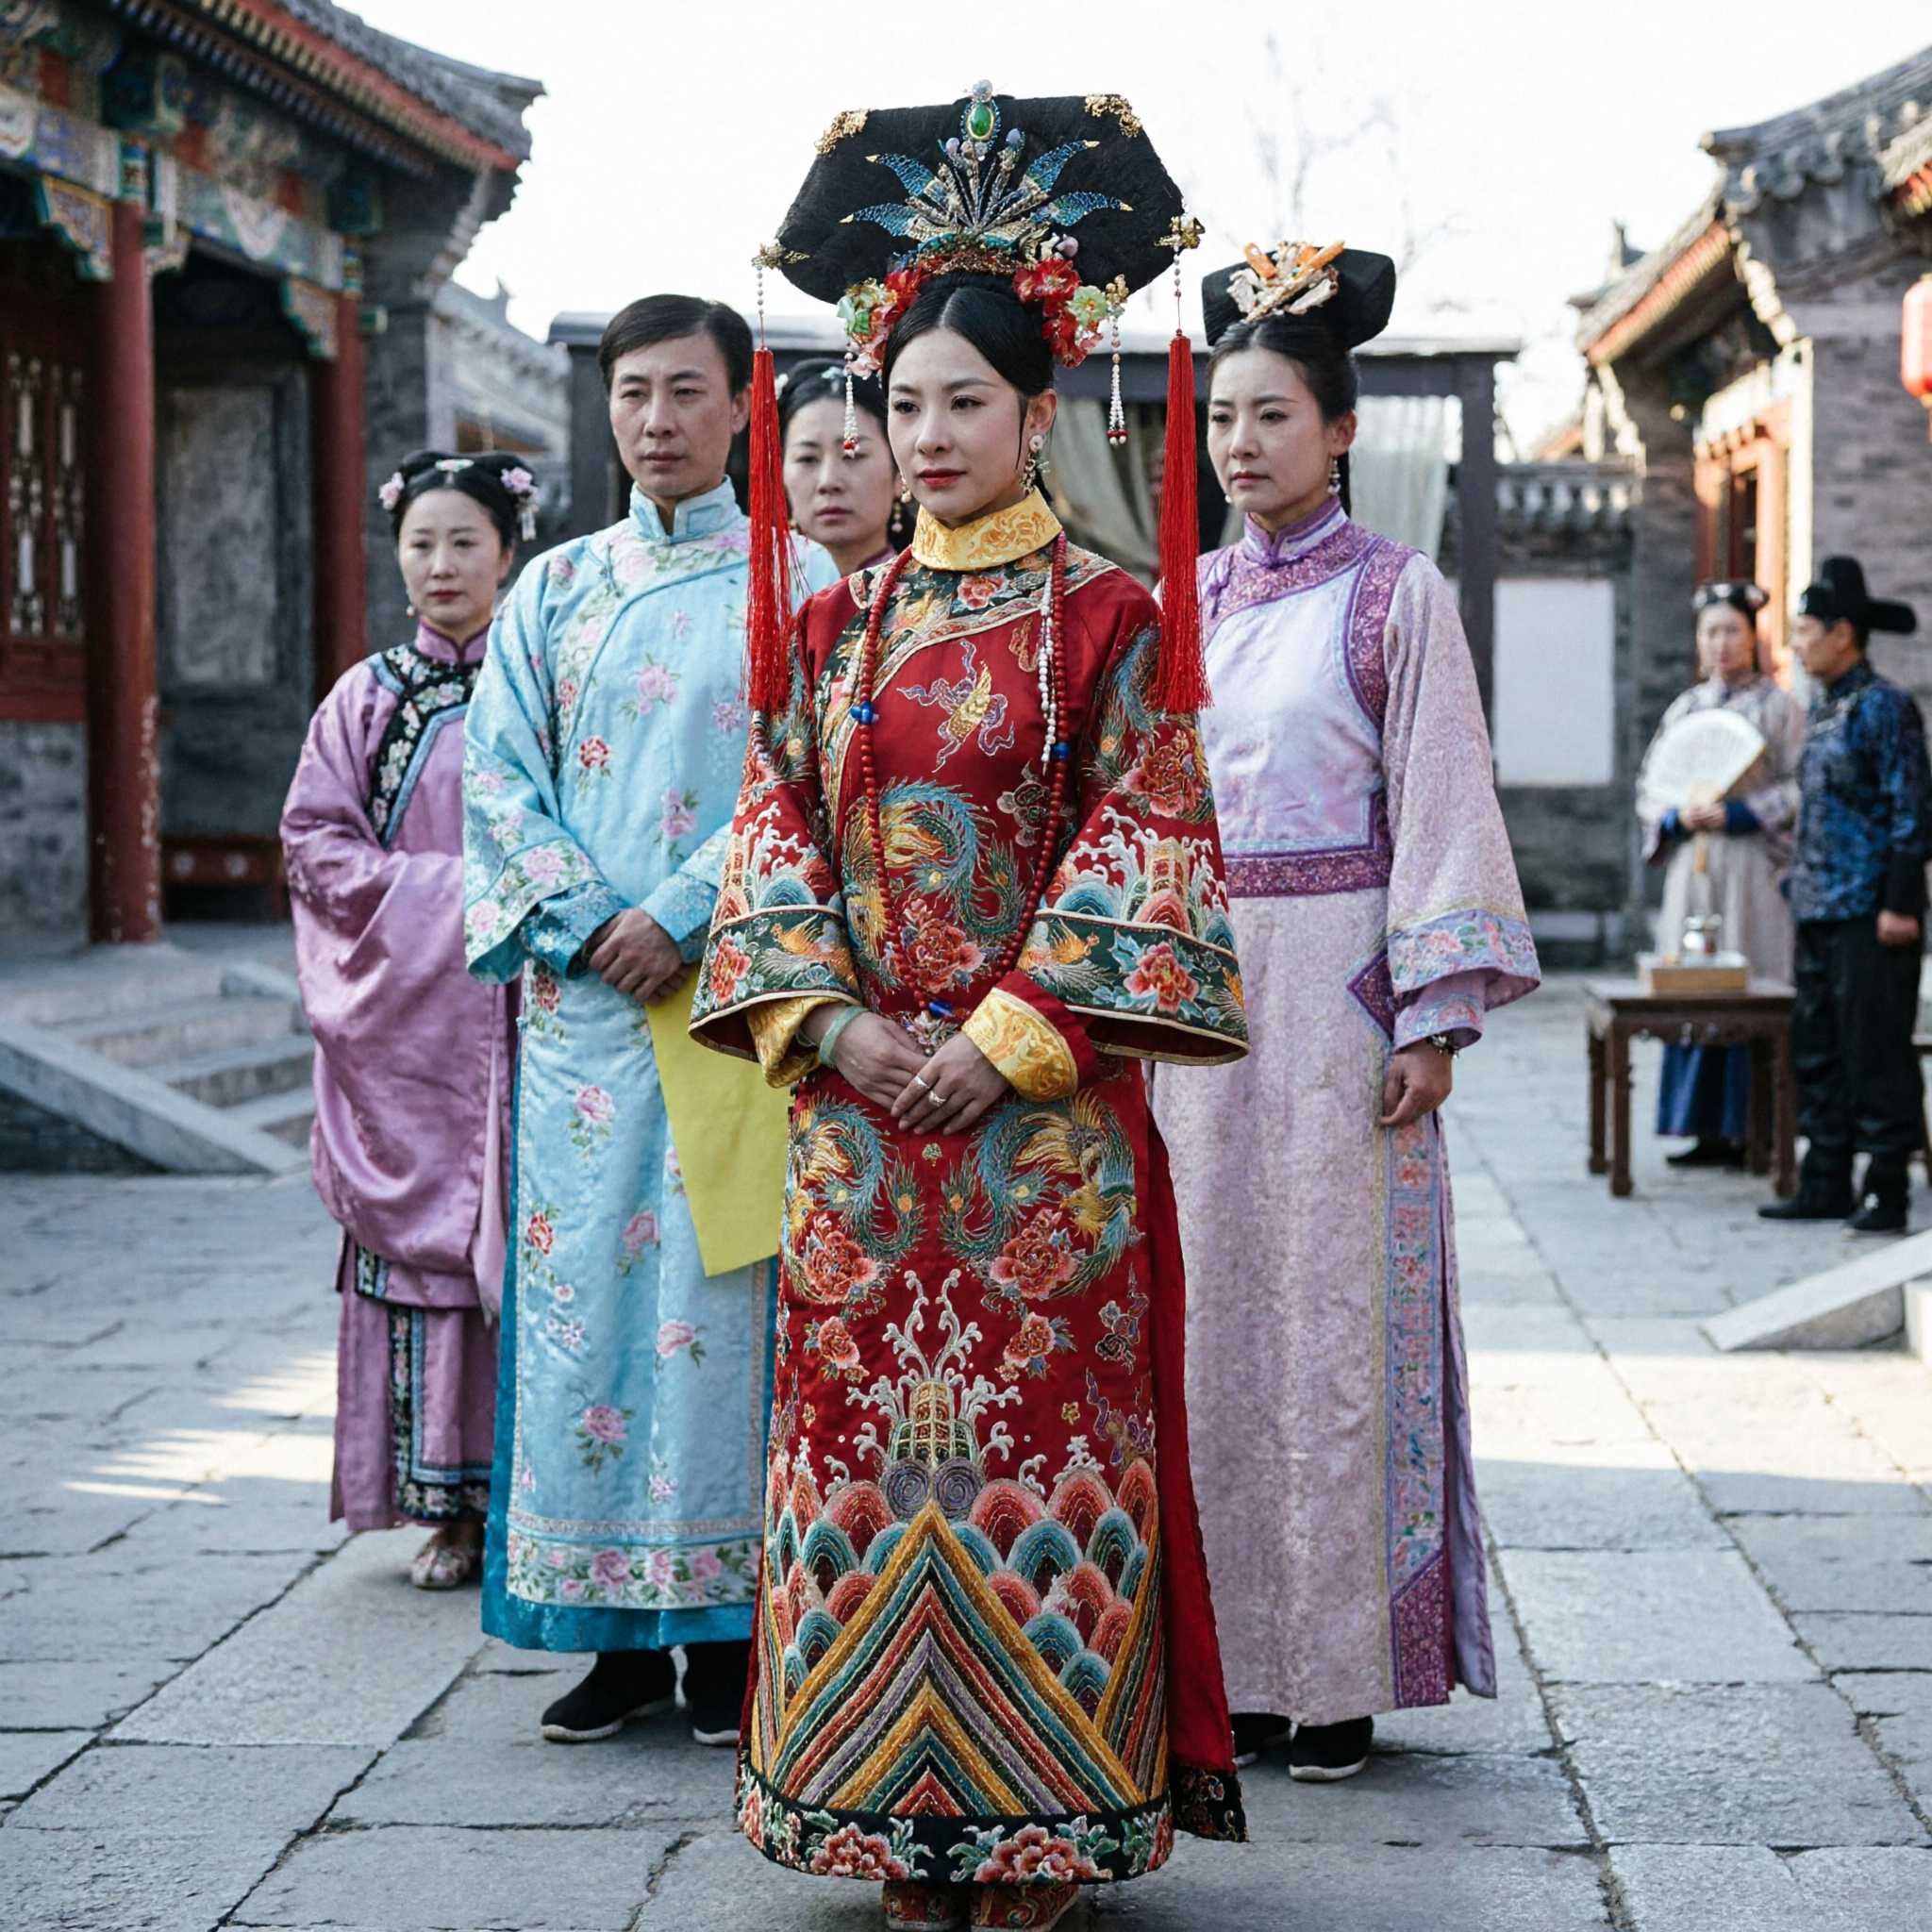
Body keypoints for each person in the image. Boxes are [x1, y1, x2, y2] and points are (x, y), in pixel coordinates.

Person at [692, 85, 1246, 1932]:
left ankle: (1038, 1825)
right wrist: (834, 1030)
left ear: (1040, 415)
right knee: (857, 1464)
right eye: (897, 402)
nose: (920, 438)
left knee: (1038, 1451)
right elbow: (772, 833)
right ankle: (875, 1813)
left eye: (960, 405)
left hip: (1040, 1132)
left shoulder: (1105, 620)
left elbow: (1147, 839)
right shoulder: (831, 635)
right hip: (860, 1120)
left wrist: (1001, 1037)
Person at [1147, 244, 1541, 1783]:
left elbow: (1440, 798)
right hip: (1202, 1010)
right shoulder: (1180, 605)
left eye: (1270, 416)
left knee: (1337, 1331)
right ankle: (1230, 1663)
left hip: (1335, 1003)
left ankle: (1343, 1669)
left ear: (1336, 432)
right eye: (1223, 418)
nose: (1240, 444)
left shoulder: (1397, 595)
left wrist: (1427, 1016)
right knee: (1213, 1325)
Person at [461, 296, 841, 1745]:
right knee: (582, 1320)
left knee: (726, 1309)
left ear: (745, 406)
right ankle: (609, 1633)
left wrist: (678, 913)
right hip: (582, 1019)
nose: (659, 420)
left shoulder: (802, 582)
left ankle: (734, 1634)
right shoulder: (553, 590)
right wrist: (575, 917)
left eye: (689, 391)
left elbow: (799, 788)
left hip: (732, 1003)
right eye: (635, 393)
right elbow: (499, 780)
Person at [282, 449, 534, 1588]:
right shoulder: (367, 698)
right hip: (413, 1028)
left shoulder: (542, 679)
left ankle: (540, 1502)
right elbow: (313, 841)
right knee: (425, 1262)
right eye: (421, 544)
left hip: (535, 1009)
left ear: (508, 551)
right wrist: (452, 894)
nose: (441, 564)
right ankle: (444, 1504)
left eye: (464, 542)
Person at [1759, 556, 1929, 1233]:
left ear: (1843, 634)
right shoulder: (1825, 712)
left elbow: (1912, 810)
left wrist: (1900, 903)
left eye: (1804, 631)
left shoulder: (1884, 707)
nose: (1797, 644)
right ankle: (1825, 1181)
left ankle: (1887, 1188)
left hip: (1870, 914)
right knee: (1819, 1051)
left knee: (1877, 1051)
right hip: (1819, 909)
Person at [1637, 581, 1803, 1167]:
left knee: (1748, 980)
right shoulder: (1686, 709)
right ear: (1700, 641)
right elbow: (1652, 789)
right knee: (1693, 982)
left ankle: (1751, 1127)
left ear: (1752, 636)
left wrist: (1740, 811)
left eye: (1733, 630)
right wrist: (1676, 816)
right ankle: (1701, 1125)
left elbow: (1799, 788)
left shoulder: (1778, 708)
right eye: (1712, 631)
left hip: (1750, 867)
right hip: (1694, 865)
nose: (1722, 642)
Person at [780, 357, 906, 573]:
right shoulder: (745, 595)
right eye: (807, 458)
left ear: (899, 473)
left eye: (853, 456)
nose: (828, 481)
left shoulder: (942, 597)